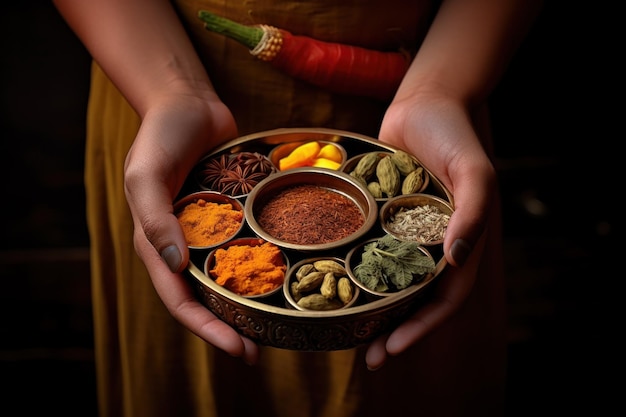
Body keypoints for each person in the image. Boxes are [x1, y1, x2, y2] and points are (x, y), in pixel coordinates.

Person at [52, 1, 542, 416]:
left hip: (428, 79)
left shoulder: (409, 177)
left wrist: (441, 92)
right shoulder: (195, 167)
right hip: (162, 94)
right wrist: (169, 94)